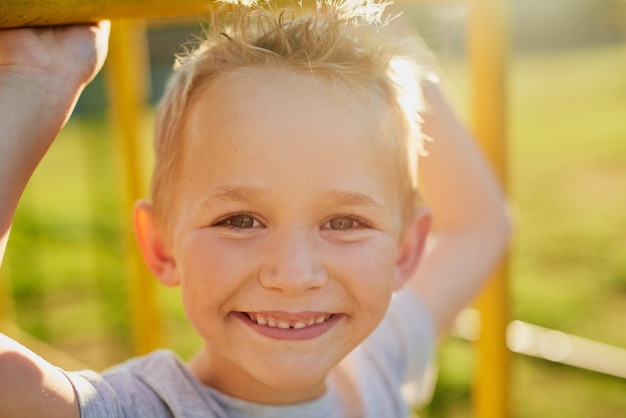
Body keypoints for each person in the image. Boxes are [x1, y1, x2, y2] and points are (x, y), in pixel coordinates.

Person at [0, 1, 510, 417]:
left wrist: (380, 15)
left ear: (404, 250)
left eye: (345, 222)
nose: (293, 274)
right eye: (240, 220)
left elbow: (480, 224)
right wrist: (36, 80)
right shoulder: (142, 409)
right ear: (160, 244)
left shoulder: (375, 366)